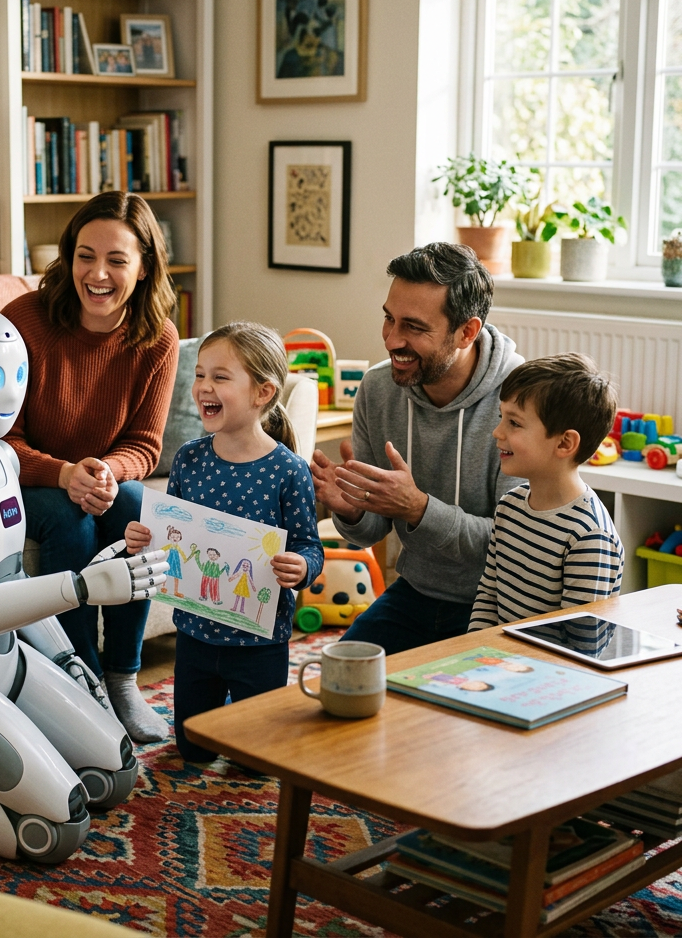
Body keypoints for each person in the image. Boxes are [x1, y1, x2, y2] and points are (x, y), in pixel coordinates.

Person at [2, 192, 179, 744]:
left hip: (96, 480)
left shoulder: (158, 339)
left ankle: (123, 682)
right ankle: (81, 681)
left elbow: (144, 446)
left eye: (117, 260)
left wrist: (106, 469)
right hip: (23, 481)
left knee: (138, 511)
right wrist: (62, 473)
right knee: (68, 517)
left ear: (144, 266)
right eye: (85, 255)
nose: (97, 273)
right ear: (68, 256)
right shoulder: (23, 320)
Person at [125, 322, 324, 763]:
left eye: (219, 377)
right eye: (199, 375)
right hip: (194, 634)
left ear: (263, 392)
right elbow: (172, 534)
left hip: (259, 641)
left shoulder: (288, 471)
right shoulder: (190, 459)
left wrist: (301, 566)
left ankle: (251, 720)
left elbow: (312, 546)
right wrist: (143, 538)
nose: (202, 387)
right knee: (193, 751)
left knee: (257, 764)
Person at [311, 242, 524, 654]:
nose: (392, 340)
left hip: (499, 606)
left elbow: (516, 543)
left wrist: (420, 509)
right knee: (338, 684)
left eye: (414, 327)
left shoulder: (521, 402)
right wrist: (353, 509)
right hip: (416, 593)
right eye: (389, 319)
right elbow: (371, 531)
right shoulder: (378, 388)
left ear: (467, 331)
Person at [468, 354, 623, 631]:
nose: (497, 432)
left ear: (565, 443)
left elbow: (581, 645)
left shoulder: (590, 537)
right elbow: (487, 598)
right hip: (498, 661)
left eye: (514, 423)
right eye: (501, 417)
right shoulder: (509, 506)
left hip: (555, 671)